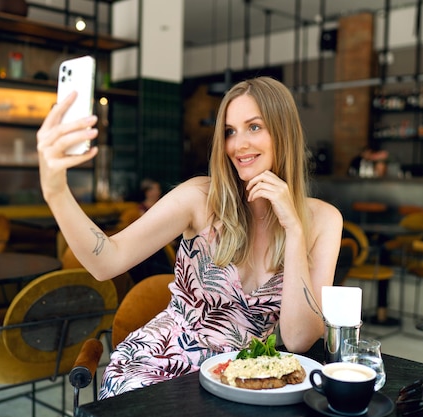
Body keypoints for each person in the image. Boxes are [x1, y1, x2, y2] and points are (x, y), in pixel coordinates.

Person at [36, 76, 343, 398]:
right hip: (158, 363)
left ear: (284, 132)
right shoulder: (201, 197)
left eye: (254, 127)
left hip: (241, 376)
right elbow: (106, 261)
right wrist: (55, 191)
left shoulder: (322, 220)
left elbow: (298, 340)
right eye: (229, 131)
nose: (238, 145)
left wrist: (293, 229)